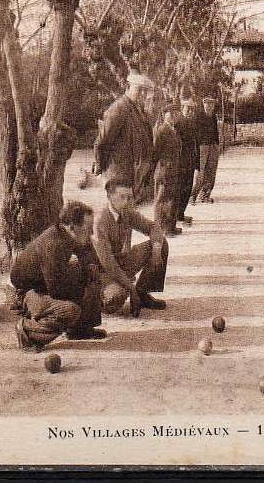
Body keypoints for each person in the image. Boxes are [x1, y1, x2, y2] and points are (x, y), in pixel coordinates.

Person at [10, 201, 105, 352]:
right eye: (88, 228)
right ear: (72, 226)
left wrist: (89, 271)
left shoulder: (76, 236)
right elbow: (57, 290)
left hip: (47, 286)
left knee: (91, 277)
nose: (92, 233)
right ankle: (26, 332)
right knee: (70, 310)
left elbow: (93, 263)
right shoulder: (53, 243)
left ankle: (79, 329)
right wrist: (81, 279)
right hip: (30, 292)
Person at [94, 178, 169, 318]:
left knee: (161, 243)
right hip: (101, 272)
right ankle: (95, 301)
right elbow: (108, 264)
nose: (127, 201)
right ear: (109, 196)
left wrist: (157, 249)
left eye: (129, 197)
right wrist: (130, 288)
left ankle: (142, 293)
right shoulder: (100, 221)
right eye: (122, 197)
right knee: (116, 298)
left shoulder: (126, 211)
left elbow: (152, 227)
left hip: (120, 261)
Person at [93, 72, 156, 198]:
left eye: (145, 91)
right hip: (119, 171)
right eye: (139, 90)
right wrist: (101, 167)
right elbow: (102, 141)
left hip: (134, 172)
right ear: (128, 88)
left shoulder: (138, 111)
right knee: (119, 210)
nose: (143, 94)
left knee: (128, 212)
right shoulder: (118, 109)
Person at [153, 102, 184, 237]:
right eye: (170, 114)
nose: (173, 116)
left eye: (175, 114)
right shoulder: (161, 131)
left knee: (172, 198)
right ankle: (161, 228)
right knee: (162, 199)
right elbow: (155, 152)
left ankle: (170, 226)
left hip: (173, 168)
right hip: (164, 169)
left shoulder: (173, 130)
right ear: (164, 115)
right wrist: (161, 169)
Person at [172, 97, 200, 226]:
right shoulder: (177, 123)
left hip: (190, 161)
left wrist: (197, 164)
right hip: (181, 161)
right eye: (187, 108)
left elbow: (196, 144)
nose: (189, 111)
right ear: (182, 109)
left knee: (188, 188)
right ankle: (177, 215)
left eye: (192, 109)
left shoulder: (193, 123)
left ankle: (181, 214)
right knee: (180, 188)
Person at [191, 95, 221, 204]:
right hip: (202, 146)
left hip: (212, 146)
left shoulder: (213, 116)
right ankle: (192, 196)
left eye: (211, 104)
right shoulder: (198, 116)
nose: (209, 106)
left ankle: (205, 195)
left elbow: (216, 131)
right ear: (203, 104)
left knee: (211, 171)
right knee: (199, 171)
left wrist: (217, 144)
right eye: (207, 103)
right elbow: (194, 133)